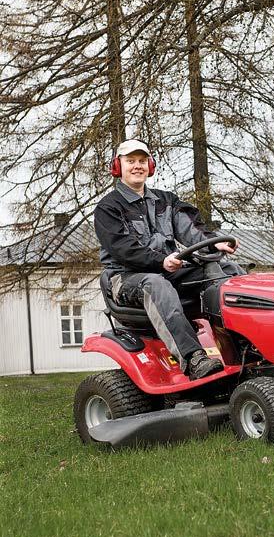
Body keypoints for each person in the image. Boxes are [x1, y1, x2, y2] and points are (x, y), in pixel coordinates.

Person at [94, 139, 246, 380]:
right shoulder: (108, 208)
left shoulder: (166, 201)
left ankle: (244, 347)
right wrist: (160, 261)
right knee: (156, 284)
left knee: (228, 270)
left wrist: (214, 241)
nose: (137, 166)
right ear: (117, 166)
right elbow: (124, 249)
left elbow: (190, 228)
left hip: (167, 271)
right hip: (125, 279)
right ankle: (194, 358)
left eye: (142, 161)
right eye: (130, 161)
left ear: (150, 166)